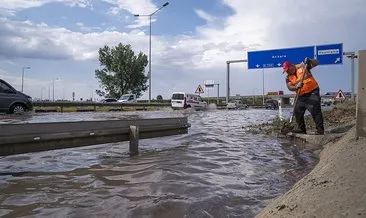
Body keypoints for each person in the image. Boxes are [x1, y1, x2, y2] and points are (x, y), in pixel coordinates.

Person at [282, 57, 324, 135]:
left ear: (291, 65)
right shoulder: (288, 77)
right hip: (301, 94)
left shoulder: (303, 66)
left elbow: (316, 63)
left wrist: (310, 61)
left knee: (314, 109)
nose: (287, 72)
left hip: (312, 91)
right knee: (297, 110)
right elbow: (290, 87)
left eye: (288, 69)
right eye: (286, 71)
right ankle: (301, 129)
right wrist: (296, 87)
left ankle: (320, 130)